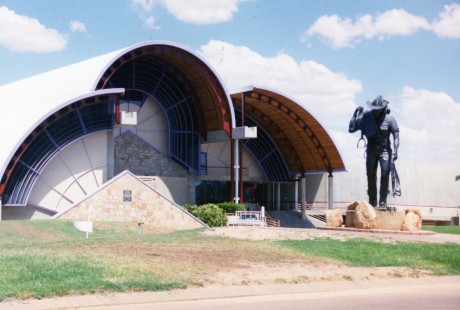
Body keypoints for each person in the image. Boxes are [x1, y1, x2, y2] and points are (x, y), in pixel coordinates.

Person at [348, 95, 399, 210]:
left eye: (378, 109)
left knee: (385, 173)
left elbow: (396, 136)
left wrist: (396, 150)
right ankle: (372, 202)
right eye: (374, 109)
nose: (376, 111)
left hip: (385, 149)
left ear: (383, 108)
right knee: (371, 175)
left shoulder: (390, 119)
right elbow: (351, 129)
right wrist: (355, 113)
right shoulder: (366, 117)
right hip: (371, 148)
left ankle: (382, 202)